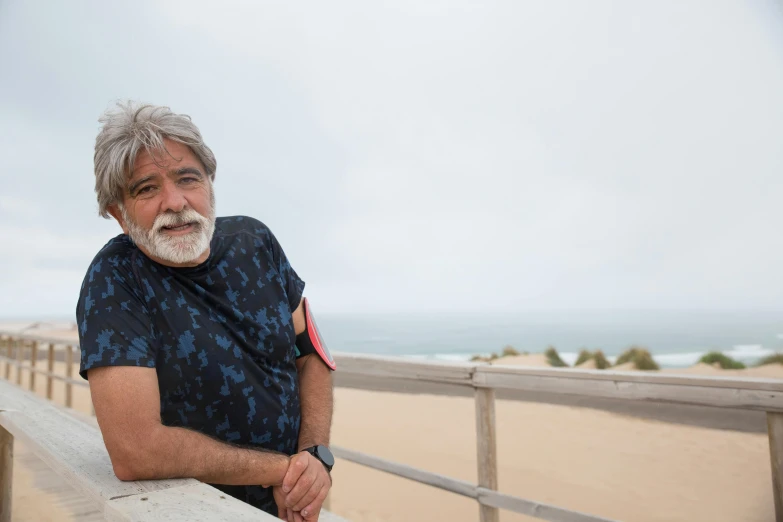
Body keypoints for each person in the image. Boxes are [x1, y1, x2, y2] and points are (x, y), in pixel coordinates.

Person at [75, 102, 336, 522]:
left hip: (292, 505)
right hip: (184, 510)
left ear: (210, 184)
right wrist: (286, 471)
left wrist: (315, 455)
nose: (175, 202)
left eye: (187, 178)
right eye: (146, 189)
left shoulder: (257, 241)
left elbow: (313, 356)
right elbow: (136, 450)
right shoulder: (115, 279)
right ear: (119, 215)